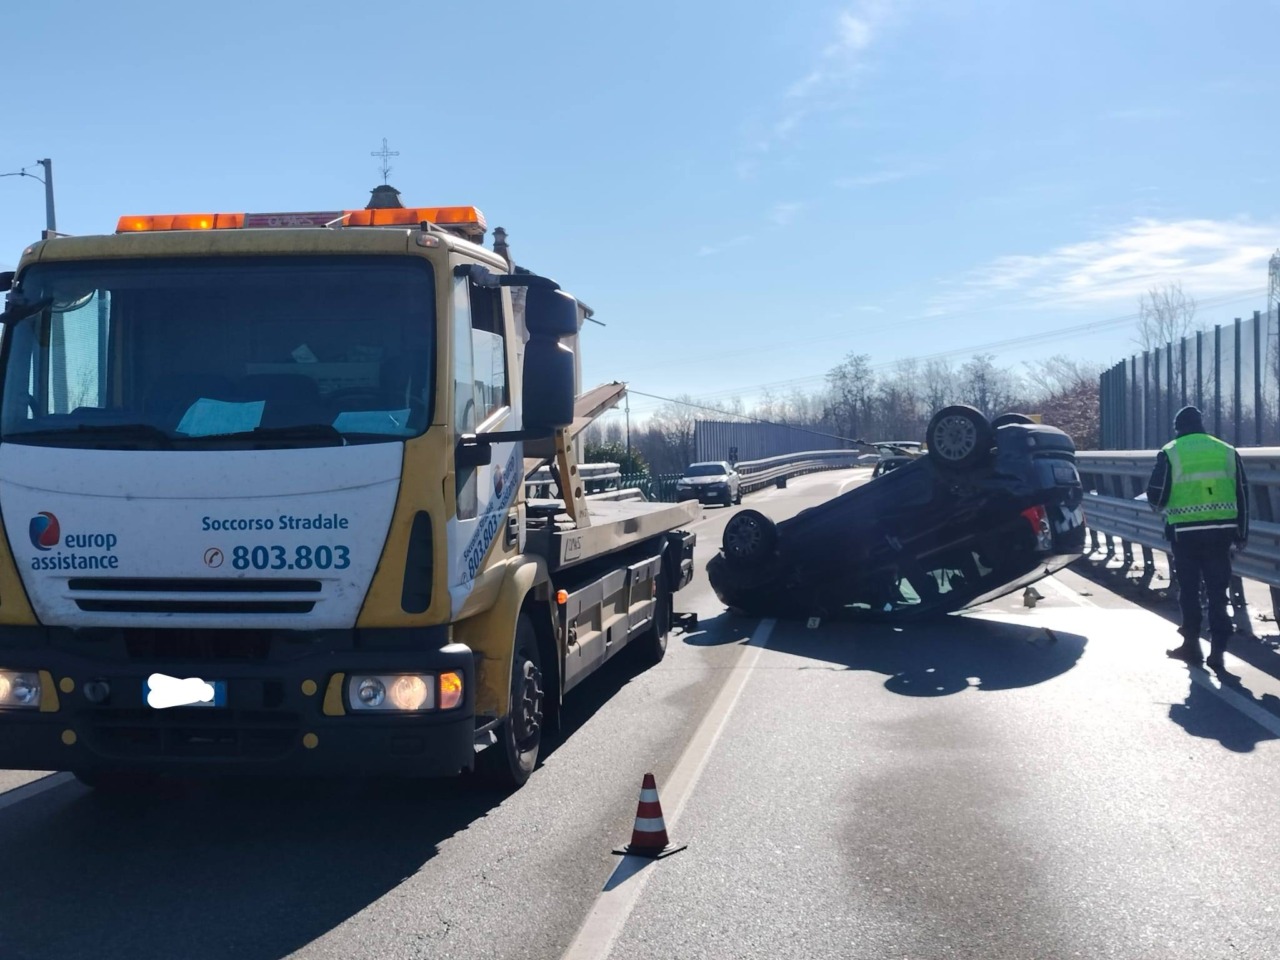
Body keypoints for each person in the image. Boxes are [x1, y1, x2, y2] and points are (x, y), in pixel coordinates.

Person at [1146, 405, 1249, 671]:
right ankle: (1218, 651)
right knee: (1218, 591)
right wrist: (1242, 532)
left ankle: (1191, 645)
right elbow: (1242, 493)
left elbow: (1156, 495)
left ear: (1177, 428)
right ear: (1202, 425)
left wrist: (1160, 507)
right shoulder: (1227, 450)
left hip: (1185, 534)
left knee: (1189, 590)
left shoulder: (1170, 451)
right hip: (1221, 532)